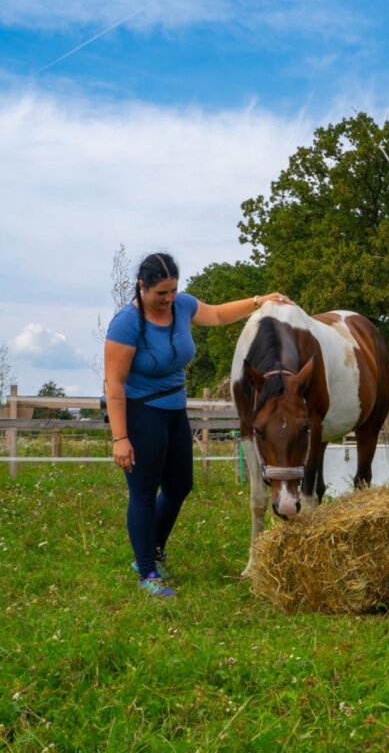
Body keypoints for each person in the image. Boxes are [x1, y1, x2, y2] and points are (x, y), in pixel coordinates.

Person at [104, 252, 292, 597]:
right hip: (140, 412)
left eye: (174, 290)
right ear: (142, 288)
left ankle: (152, 551)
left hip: (175, 411)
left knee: (179, 487)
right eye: (161, 293)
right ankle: (147, 571)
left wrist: (258, 301)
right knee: (143, 492)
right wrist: (120, 438)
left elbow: (218, 314)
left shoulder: (182, 306)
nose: (169, 299)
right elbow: (114, 385)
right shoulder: (125, 324)